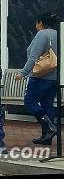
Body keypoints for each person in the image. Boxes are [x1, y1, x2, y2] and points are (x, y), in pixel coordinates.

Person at [15, 13, 59, 145]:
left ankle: (50, 127)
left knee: (30, 102)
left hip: (41, 76)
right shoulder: (58, 33)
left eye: (36, 23)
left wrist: (23, 73)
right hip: (55, 77)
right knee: (47, 104)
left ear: (40, 23)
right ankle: (47, 137)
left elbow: (33, 57)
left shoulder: (42, 34)